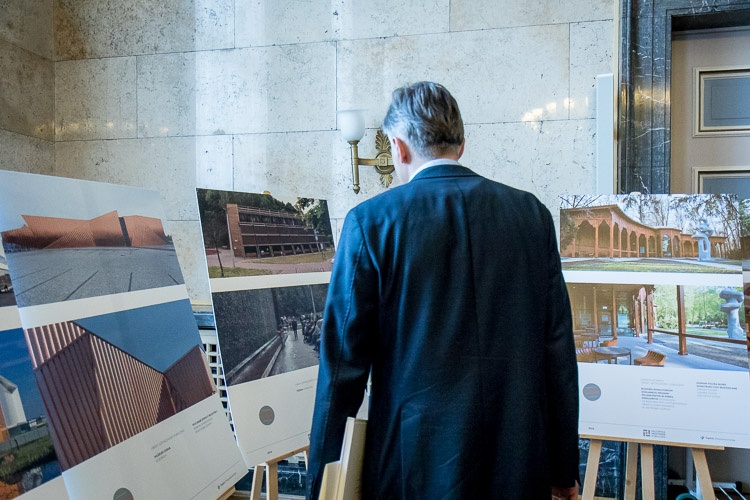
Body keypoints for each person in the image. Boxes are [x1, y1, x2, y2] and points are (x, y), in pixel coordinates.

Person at [307, 82, 579, 499]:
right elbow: (557, 350)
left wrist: (320, 484)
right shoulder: (531, 215)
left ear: (398, 148)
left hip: (413, 465)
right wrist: (563, 467)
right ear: (461, 145)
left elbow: (342, 367)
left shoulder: (370, 223)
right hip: (517, 460)